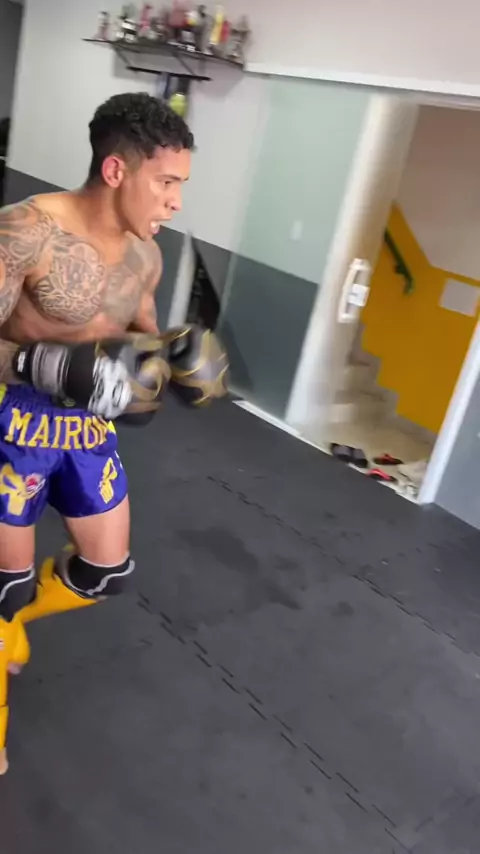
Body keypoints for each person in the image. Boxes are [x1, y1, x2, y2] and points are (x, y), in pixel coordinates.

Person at [0, 91, 194, 630]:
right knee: (6, 585)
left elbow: (142, 341)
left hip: (85, 426)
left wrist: (177, 358)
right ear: (115, 171)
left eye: (180, 185)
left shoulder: (146, 256)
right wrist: (40, 366)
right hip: (10, 417)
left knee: (105, 573)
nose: (176, 202)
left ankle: (13, 626)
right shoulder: (25, 232)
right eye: (166, 182)